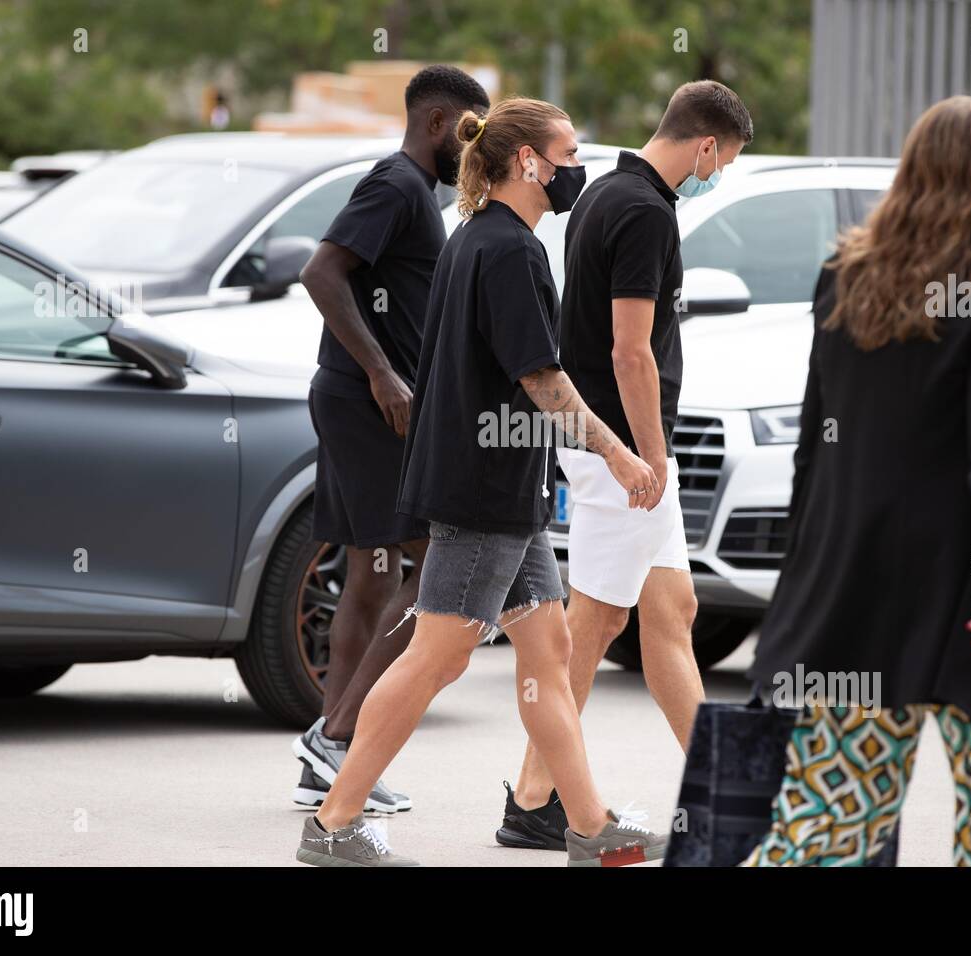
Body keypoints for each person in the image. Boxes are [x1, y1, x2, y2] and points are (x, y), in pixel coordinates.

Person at [295, 96, 667, 867]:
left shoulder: (479, 237)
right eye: (566, 155)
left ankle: (586, 824)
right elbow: (542, 378)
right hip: (482, 493)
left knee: (549, 647)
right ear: (527, 162)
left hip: (502, 493)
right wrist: (620, 455)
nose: (575, 169)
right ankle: (334, 823)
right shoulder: (508, 251)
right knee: (438, 656)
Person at [744, 96, 971, 867]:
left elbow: (816, 444)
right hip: (970, 595)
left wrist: (806, 572)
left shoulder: (844, 278)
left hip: (859, 590)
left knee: (829, 825)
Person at [498, 80, 754, 851]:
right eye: (725, 161)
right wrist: (649, 454)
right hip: (620, 450)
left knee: (667, 614)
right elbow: (629, 348)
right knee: (597, 622)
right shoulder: (645, 211)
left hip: (609, 446)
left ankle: (703, 792)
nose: (719, 174)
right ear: (705, 144)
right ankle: (538, 799)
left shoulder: (610, 191)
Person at [291, 65, 490, 815]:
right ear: (438, 122)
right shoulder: (398, 186)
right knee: (436, 565)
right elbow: (321, 273)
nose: (474, 149)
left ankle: (331, 757)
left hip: (361, 403)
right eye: (470, 132)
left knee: (372, 571)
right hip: (370, 407)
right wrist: (382, 375)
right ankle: (341, 737)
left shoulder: (414, 194)